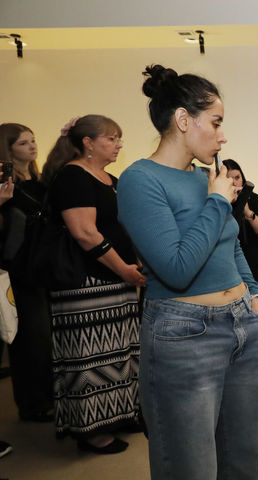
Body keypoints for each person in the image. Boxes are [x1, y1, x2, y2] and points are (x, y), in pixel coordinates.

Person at [117, 64, 258, 480]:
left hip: (244, 323)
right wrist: (218, 201)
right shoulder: (139, 180)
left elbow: (232, 244)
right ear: (184, 120)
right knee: (190, 465)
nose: (223, 136)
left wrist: (254, 297)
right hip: (184, 334)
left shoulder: (207, 177)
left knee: (242, 458)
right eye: (216, 123)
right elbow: (176, 268)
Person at [40, 114, 145, 454]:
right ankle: (92, 430)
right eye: (112, 138)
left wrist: (133, 264)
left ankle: (120, 414)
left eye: (119, 139)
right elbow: (85, 233)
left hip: (114, 282)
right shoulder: (72, 176)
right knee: (91, 360)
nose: (118, 145)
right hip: (86, 284)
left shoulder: (106, 178)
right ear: (88, 142)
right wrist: (124, 269)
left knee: (121, 356)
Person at [0, 123, 54, 423]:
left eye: (33, 141)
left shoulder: (39, 180)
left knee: (44, 338)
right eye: (23, 143)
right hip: (17, 270)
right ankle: (32, 404)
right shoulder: (4, 182)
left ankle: (45, 397)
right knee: (30, 340)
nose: (32, 147)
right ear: (8, 149)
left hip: (43, 265)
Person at [223, 159, 258, 290]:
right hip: (229, 262)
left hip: (255, 261)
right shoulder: (220, 202)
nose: (235, 182)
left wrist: (248, 212)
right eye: (230, 179)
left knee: (255, 304)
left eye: (237, 177)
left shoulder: (254, 199)